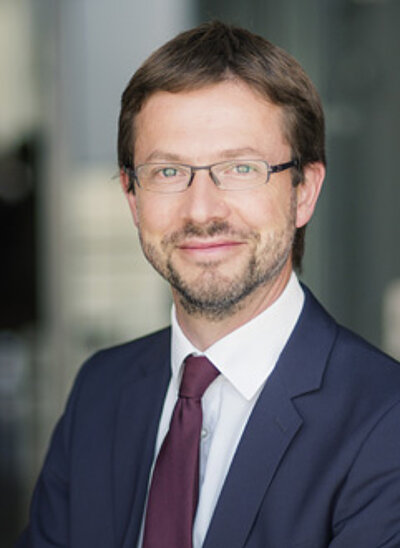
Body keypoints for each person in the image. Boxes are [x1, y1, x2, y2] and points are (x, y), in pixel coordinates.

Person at [17, 21, 400, 548]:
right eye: (168, 172)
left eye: (241, 168)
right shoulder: (99, 392)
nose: (201, 211)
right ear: (132, 196)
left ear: (304, 191)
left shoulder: (385, 421)